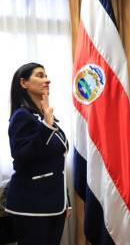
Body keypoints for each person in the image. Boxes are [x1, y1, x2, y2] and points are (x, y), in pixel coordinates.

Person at [5, 63, 70, 245]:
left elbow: (57, 162)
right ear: (24, 83)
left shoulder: (44, 116)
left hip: (54, 205)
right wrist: (46, 127)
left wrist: (66, 201)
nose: (47, 80)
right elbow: (22, 156)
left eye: (46, 75)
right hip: (31, 206)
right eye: (40, 76)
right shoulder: (21, 116)